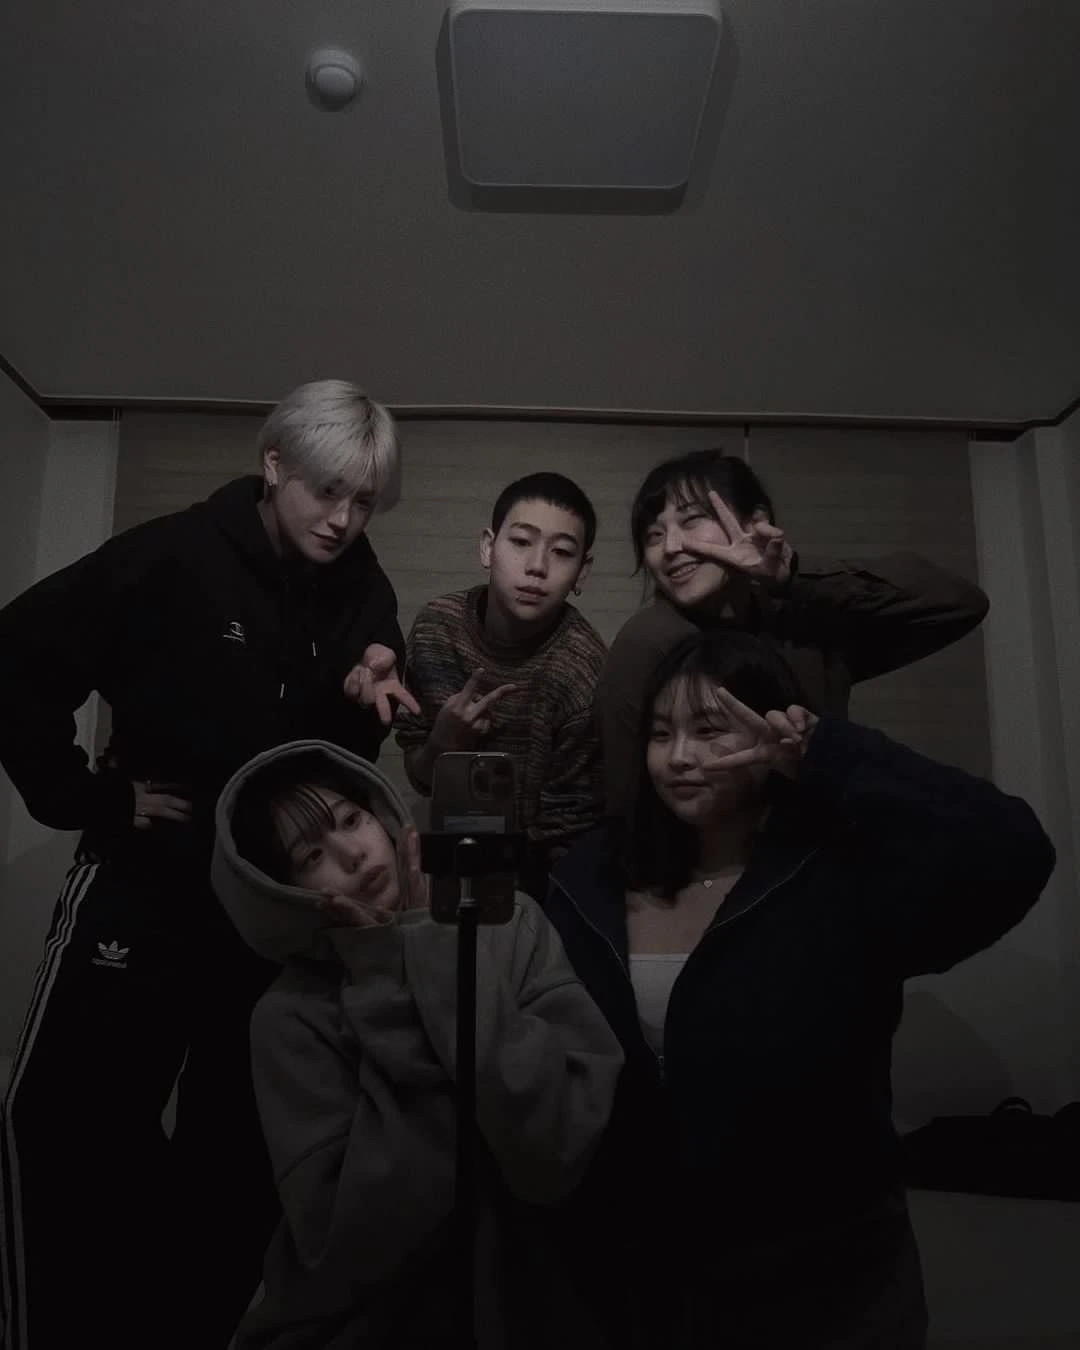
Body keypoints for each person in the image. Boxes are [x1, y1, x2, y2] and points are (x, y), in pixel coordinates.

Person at [0, 381, 419, 1350]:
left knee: (236, 1160)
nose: (343, 519)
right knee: (66, 1130)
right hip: (145, 885)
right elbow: (15, 654)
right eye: (327, 491)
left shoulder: (362, 588)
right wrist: (90, 797)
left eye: (364, 501)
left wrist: (370, 684)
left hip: (268, 914)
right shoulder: (172, 557)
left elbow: (333, 741)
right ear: (274, 464)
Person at [546, 629, 1056, 1349]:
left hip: (825, 1271)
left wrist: (829, 755)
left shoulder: (838, 872)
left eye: (709, 730)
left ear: (771, 730)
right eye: (661, 734)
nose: (679, 756)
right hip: (640, 1274)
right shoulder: (596, 873)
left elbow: (1014, 849)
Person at [212, 740, 624, 1349]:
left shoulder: (511, 926)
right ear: (281, 890)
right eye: (311, 855)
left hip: (538, 1303)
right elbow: (362, 1239)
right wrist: (384, 981)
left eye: (352, 819)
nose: (353, 853)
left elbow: (557, 1147)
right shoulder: (290, 1017)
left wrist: (435, 945)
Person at [598, 449, 990, 815]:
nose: (671, 547)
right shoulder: (649, 643)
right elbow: (623, 794)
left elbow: (958, 604)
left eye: (691, 521)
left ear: (756, 522)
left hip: (821, 840)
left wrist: (794, 577)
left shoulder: (807, 618)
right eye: (653, 535)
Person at [396, 472, 606, 898]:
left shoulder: (583, 669)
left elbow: (569, 836)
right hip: (446, 847)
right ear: (488, 548)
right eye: (521, 541)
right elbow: (420, 777)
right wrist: (442, 745)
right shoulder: (437, 629)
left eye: (561, 552)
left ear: (582, 572)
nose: (537, 566)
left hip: (538, 881)